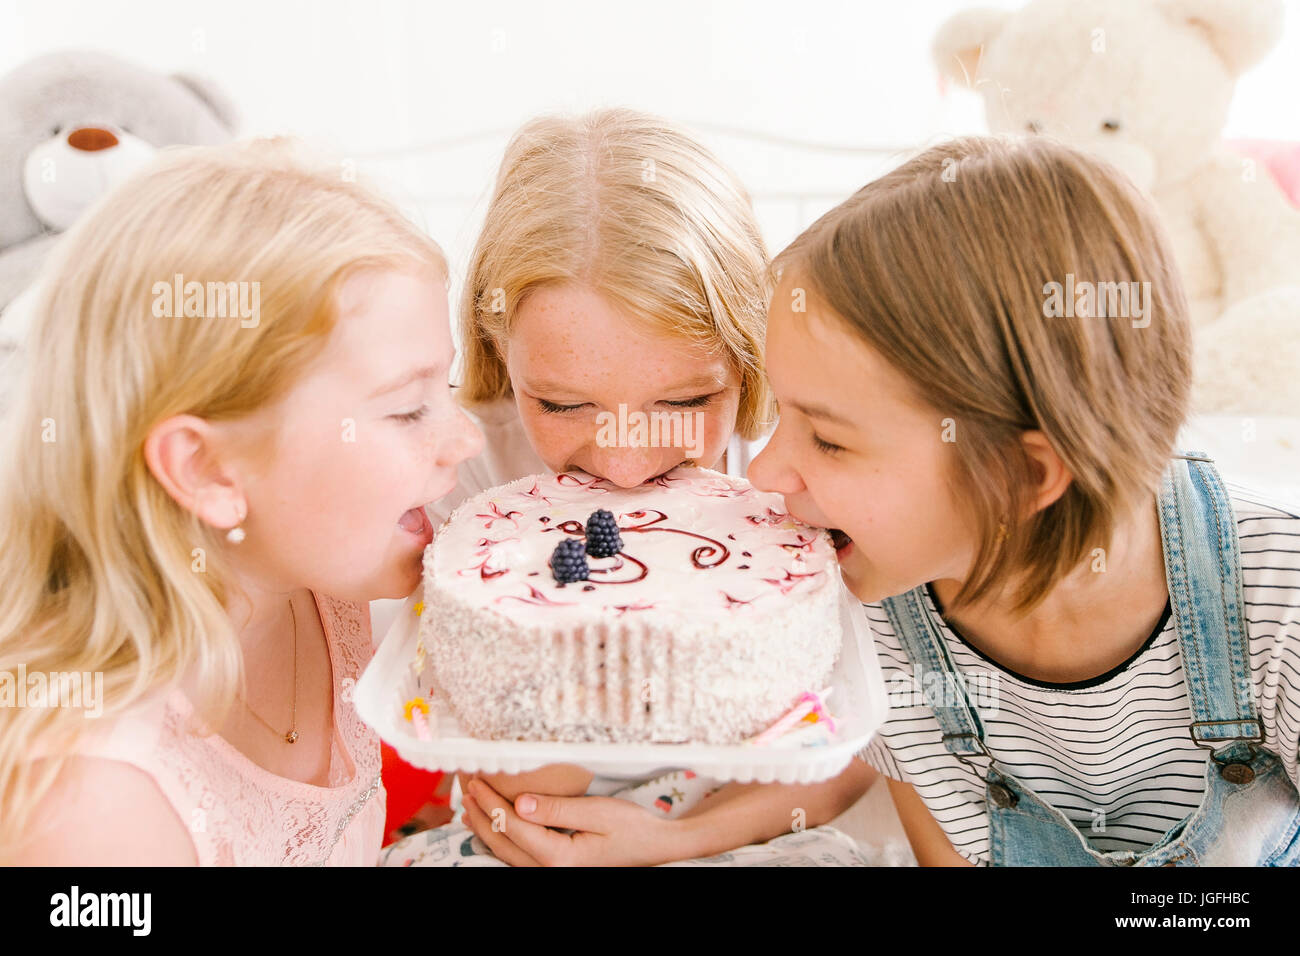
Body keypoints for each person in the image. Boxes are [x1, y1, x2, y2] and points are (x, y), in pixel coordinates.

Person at [747, 134, 1300, 866]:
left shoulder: (1275, 597)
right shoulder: (873, 621)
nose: (763, 472)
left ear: (1026, 474)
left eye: (829, 440)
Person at [378, 108, 876, 867]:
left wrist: (680, 840)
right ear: (497, 348)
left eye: (682, 405)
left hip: (744, 837)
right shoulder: (464, 475)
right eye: (564, 405)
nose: (625, 465)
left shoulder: (793, 465)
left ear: (750, 356)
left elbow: (864, 752)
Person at [0, 138, 482, 864]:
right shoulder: (98, 809)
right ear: (207, 470)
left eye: (443, 390)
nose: (465, 440)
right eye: (408, 409)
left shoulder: (320, 591)